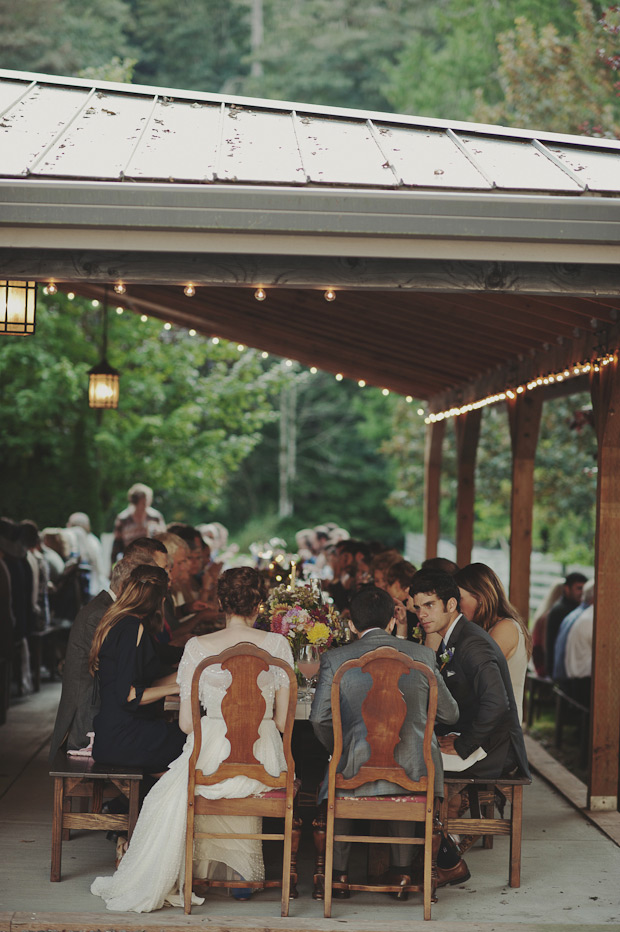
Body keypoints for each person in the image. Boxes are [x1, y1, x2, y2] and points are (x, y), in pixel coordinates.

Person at [91, 565, 294, 912]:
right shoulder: (278, 645)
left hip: (211, 756)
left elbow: (187, 725)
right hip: (266, 760)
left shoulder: (198, 647)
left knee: (175, 785)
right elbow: (280, 722)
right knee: (241, 772)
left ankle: (198, 872)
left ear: (221, 603)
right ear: (259, 604)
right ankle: (241, 879)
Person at [310, 586, 460, 895]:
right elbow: (450, 713)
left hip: (354, 768)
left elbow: (319, 718)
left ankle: (337, 877)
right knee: (407, 761)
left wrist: (339, 750)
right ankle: (402, 875)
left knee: (342, 772)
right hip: (415, 772)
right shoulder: (422, 655)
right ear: (392, 621)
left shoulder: (335, 658)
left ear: (351, 624)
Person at [48, 541, 169, 762]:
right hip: (88, 723)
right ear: (128, 585)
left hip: (109, 715)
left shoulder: (118, 613)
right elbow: (122, 680)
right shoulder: (104, 615)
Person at [409, 569, 530, 781]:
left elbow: (497, 703)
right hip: (471, 734)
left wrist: (463, 744)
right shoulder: (455, 636)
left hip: (494, 749)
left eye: (430, 605)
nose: (422, 615)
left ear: (451, 605)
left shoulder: (472, 643)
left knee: (414, 763)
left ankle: (437, 812)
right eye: (418, 607)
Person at [89, 565, 185, 772]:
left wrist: (183, 676)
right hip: (124, 737)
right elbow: (129, 695)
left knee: (185, 739)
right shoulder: (133, 629)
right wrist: (175, 688)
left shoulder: (118, 622)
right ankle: (144, 802)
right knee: (194, 741)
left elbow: (139, 683)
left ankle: (134, 802)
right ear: (160, 599)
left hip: (113, 732)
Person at [453, 563, 532, 722]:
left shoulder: (506, 628)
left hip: (498, 730)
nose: (455, 605)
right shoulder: (481, 628)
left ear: (480, 597)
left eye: (459, 598)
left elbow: (471, 675)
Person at [110, 483, 166, 567]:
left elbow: (165, 540)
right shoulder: (123, 519)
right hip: (130, 563)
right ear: (134, 502)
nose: (145, 505)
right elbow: (116, 544)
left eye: (147, 501)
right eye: (143, 502)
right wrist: (112, 567)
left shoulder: (155, 517)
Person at [545, 572, 588, 679]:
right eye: (579, 588)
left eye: (584, 588)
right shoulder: (561, 611)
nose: (582, 592)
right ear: (567, 589)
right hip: (562, 673)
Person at [530, 581, 564, 677]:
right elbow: (546, 647)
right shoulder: (548, 617)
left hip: (539, 661)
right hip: (543, 665)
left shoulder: (543, 614)